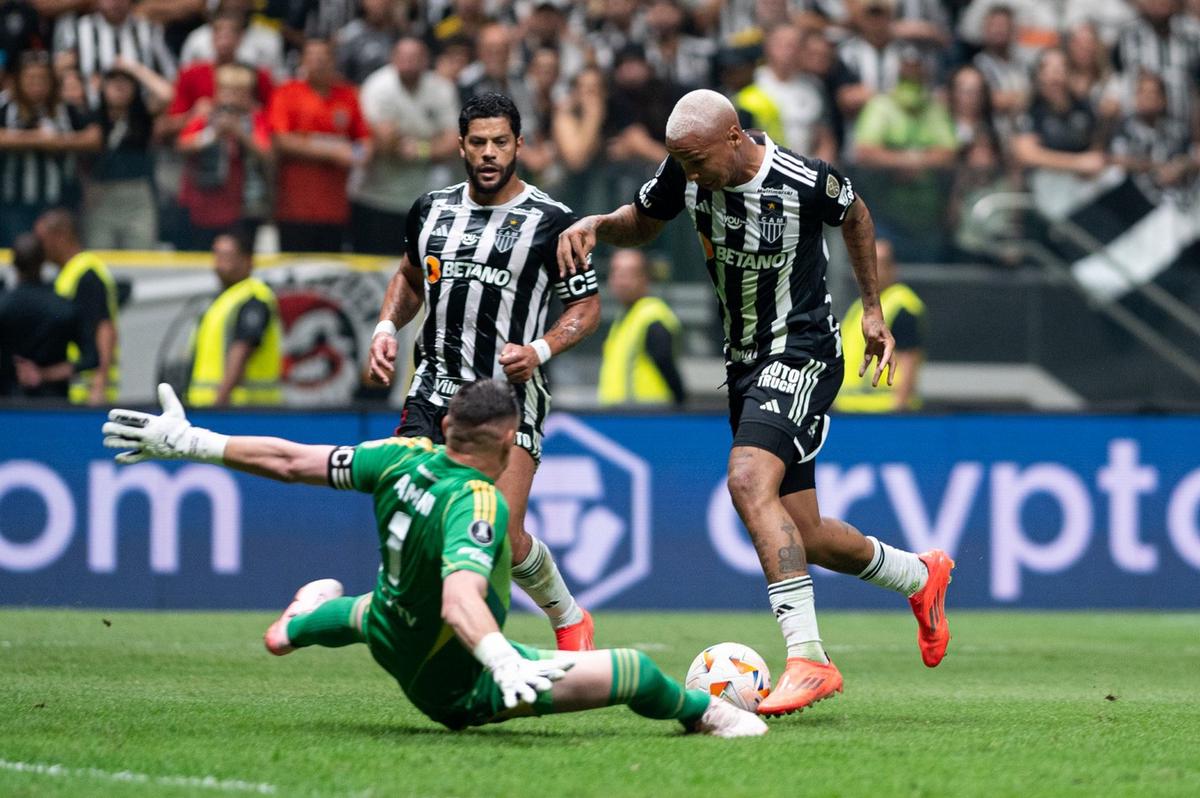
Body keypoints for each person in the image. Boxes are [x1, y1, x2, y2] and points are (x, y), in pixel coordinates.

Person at [557, 89, 954, 717]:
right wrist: (599, 226)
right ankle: (919, 576)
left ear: (734, 138)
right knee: (811, 535)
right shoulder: (685, 173)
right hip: (744, 366)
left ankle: (809, 659)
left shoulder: (803, 181)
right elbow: (646, 218)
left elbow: (856, 216)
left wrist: (873, 309)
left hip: (802, 351)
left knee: (746, 480)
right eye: (679, 164)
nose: (688, 175)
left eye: (695, 161)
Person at [99, 379, 767, 739]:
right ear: (508, 440)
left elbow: (291, 461)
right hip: (454, 685)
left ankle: (297, 624)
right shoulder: (479, 505)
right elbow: (460, 601)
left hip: (390, 630)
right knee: (636, 670)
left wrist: (191, 441)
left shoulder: (398, 457)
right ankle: (707, 716)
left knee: (374, 609)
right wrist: (501, 658)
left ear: (447, 428)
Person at [365, 93, 602, 652]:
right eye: (478, 143)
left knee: (502, 536)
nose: (490, 153)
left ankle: (569, 617)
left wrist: (540, 349)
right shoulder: (429, 210)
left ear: (520, 145)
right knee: (413, 513)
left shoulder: (553, 222)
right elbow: (408, 277)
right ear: (461, 145)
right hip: (433, 389)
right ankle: (451, 635)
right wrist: (384, 328)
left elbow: (586, 309)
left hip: (507, 397)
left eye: (500, 142)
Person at [352, 37, 459, 255]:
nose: (409, 64)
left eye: (415, 58)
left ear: (426, 60)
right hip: (376, 198)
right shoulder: (378, 85)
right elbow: (384, 143)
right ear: (393, 59)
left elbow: (453, 142)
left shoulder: (441, 88)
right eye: (403, 58)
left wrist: (420, 149)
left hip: (423, 200)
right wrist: (429, 143)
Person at [268, 37, 371, 253]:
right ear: (303, 62)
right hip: (294, 207)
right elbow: (281, 140)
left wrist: (359, 154)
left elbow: (364, 141)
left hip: (335, 208)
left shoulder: (347, 95)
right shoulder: (287, 93)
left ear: (333, 61)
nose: (318, 63)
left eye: (323, 58)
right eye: (312, 58)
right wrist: (333, 151)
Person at [177, 63, 274, 250]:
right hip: (205, 204)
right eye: (228, 91)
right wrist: (212, 135)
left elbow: (267, 153)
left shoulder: (255, 118)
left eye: (240, 93)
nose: (232, 99)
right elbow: (183, 145)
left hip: (245, 207)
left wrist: (239, 133)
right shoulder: (206, 116)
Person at [186, 232, 282, 407]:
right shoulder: (223, 300)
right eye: (217, 255)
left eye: (227, 256)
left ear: (247, 260)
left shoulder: (253, 297)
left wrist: (220, 400)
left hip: (241, 409)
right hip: (208, 407)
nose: (219, 263)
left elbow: (242, 349)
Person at [35, 208, 119, 405]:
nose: (39, 247)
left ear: (60, 236)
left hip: (86, 392)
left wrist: (99, 382)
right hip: (74, 387)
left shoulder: (86, 274)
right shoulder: (68, 274)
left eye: (42, 240)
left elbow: (104, 327)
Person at [835, 239, 925, 412]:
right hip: (848, 413)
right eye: (862, 264)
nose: (868, 272)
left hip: (883, 413)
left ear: (893, 269)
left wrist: (899, 410)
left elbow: (908, 360)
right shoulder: (858, 308)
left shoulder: (902, 305)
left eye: (877, 264)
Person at [0, 233, 89, 399]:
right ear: (43, 262)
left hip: (7, 406)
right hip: (54, 406)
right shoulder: (63, 308)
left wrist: (14, 369)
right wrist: (43, 374)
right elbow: (90, 358)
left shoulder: (4, 305)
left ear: (14, 263)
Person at [597, 248, 685, 407]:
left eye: (627, 274)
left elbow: (665, 363)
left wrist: (681, 404)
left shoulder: (652, 315)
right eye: (615, 273)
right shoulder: (624, 317)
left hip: (647, 415)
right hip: (618, 417)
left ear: (645, 278)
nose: (620, 280)